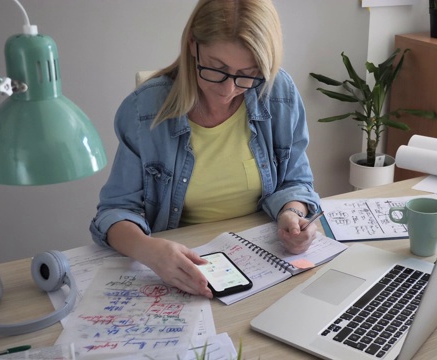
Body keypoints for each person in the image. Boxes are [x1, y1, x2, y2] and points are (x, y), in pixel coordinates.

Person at [89, 0, 321, 299]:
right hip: (183, 267)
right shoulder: (145, 109)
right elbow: (115, 211)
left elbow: (296, 182)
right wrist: (149, 250)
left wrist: (292, 213)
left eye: (247, 73)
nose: (228, 90)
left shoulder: (277, 93)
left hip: (262, 261)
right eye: (216, 69)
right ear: (192, 46)